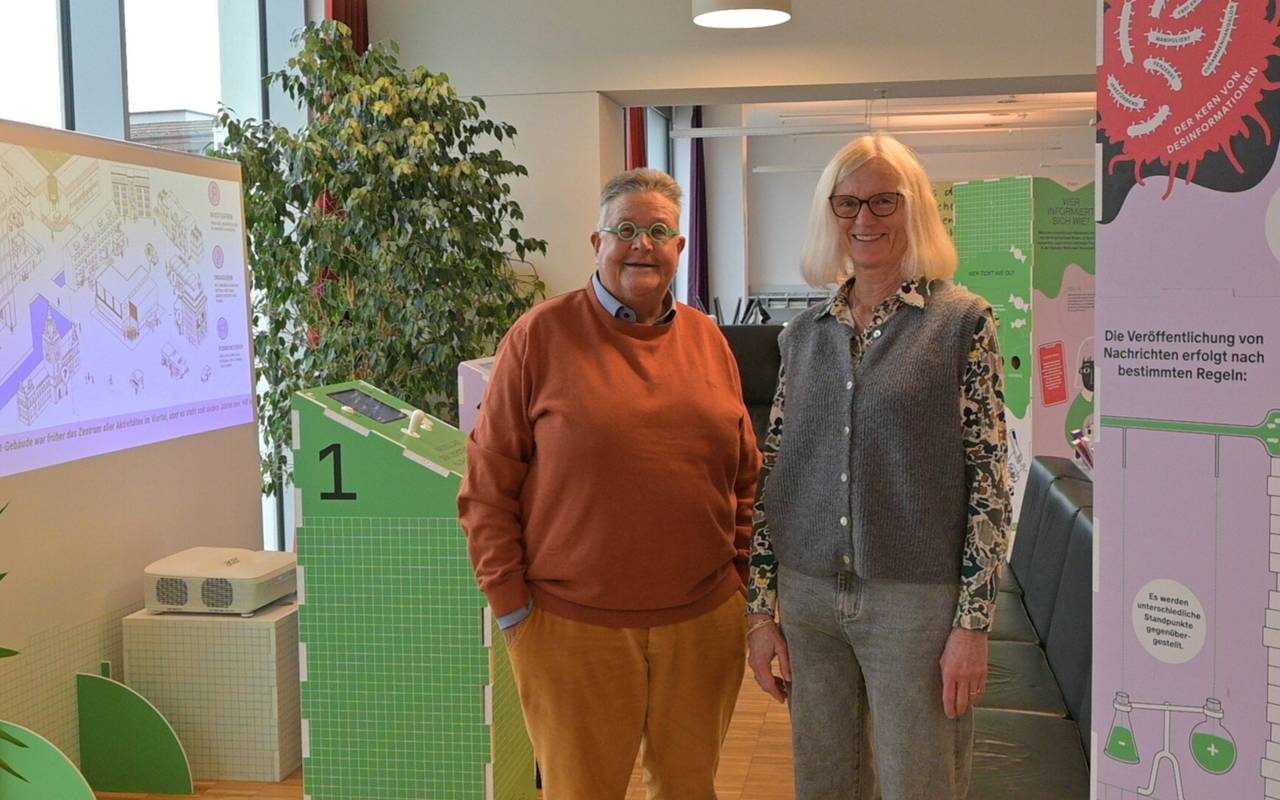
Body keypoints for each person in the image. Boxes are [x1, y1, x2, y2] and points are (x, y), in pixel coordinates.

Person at [458, 168, 760, 800]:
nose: (641, 245)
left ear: (680, 248)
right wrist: (512, 608)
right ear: (597, 244)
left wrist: (739, 580)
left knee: (689, 790)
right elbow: (488, 485)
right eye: (624, 230)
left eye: (659, 231)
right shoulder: (539, 336)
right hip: (571, 629)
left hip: (702, 623)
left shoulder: (709, 340)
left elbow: (744, 474)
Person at [745, 135, 1012, 799]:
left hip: (914, 605)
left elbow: (990, 482)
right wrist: (761, 612)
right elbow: (775, 476)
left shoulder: (961, 324)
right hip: (809, 601)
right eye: (848, 203)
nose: (865, 218)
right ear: (830, 214)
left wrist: (973, 625)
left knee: (918, 783)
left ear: (914, 207)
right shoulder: (802, 335)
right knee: (824, 784)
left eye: (883, 201)